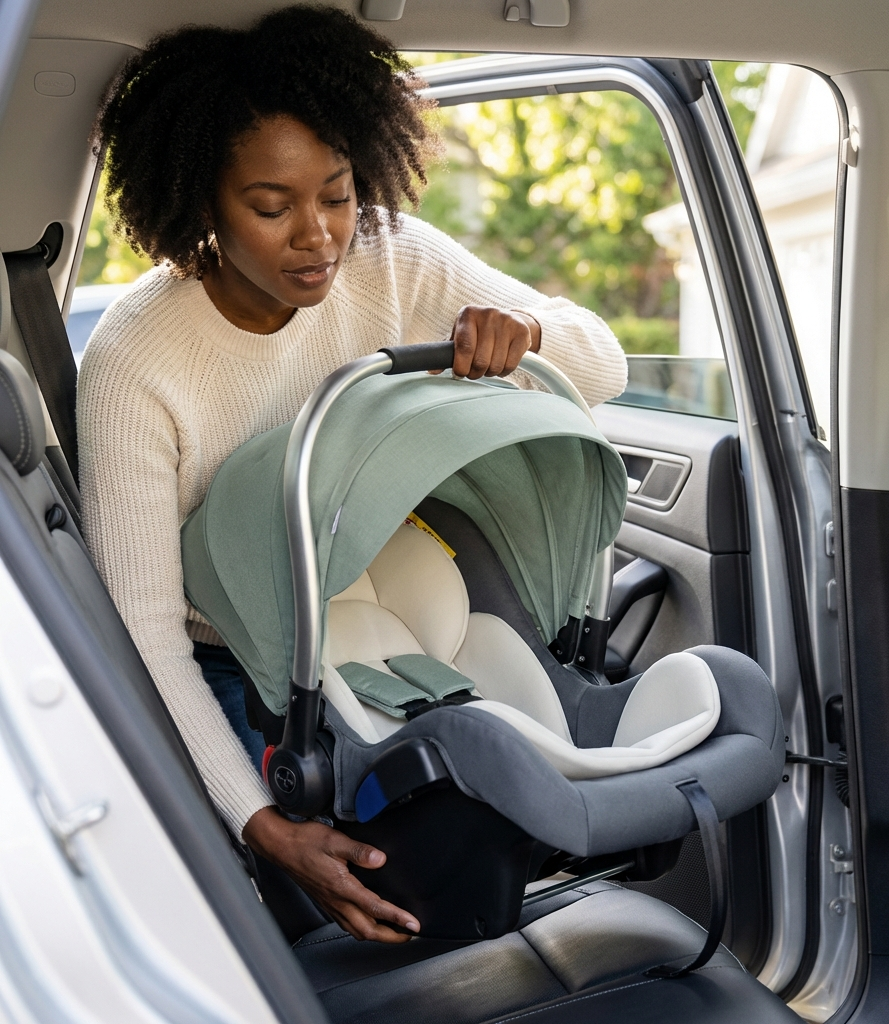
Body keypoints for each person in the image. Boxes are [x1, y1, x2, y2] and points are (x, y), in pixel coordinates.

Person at [78, 4, 627, 944]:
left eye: (335, 195)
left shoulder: (391, 256)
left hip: (384, 616)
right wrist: (265, 827)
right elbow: (147, 637)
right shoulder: (136, 362)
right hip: (232, 657)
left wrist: (527, 333)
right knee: (316, 903)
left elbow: (602, 361)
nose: (319, 236)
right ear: (202, 203)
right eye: (271, 207)